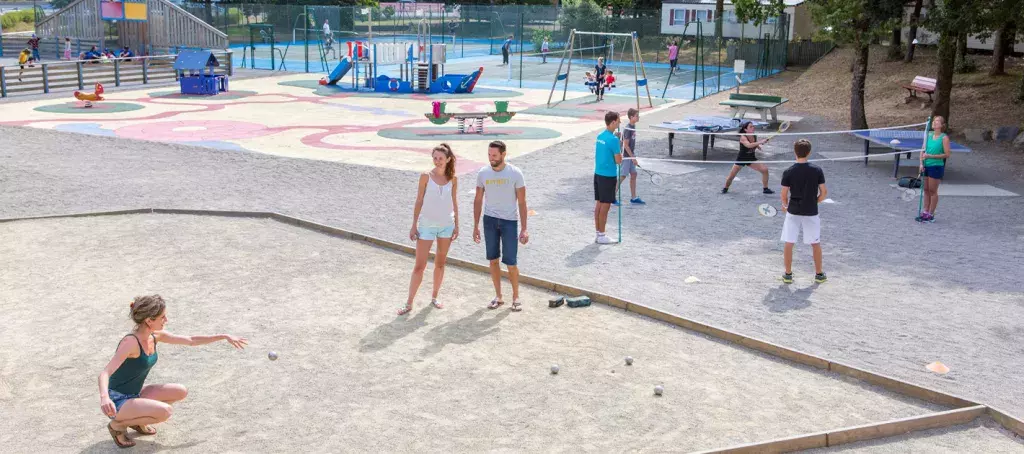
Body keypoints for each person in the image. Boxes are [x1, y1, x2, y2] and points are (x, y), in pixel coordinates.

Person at [98, 295, 247, 448]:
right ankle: (117, 425)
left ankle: (138, 421)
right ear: (149, 320)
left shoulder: (154, 336)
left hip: (135, 395)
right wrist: (105, 398)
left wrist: (223, 336)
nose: (166, 320)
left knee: (180, 391)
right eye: (162, 317)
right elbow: (105, 373)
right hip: (116, 401)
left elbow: (190, 340)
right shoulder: (130, 342)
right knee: (165, 412)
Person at [401, 144, 460, 315]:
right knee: (419, 266)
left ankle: (434, 297)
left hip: (446, 226)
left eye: (441, 158)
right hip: (426, 225)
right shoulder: (425, 177)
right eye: (435, 158)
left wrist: (457, 224)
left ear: (448, 159)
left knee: (440, 264)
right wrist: (413, 224)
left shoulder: (453, 179)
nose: (437, 161)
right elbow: (419, 200)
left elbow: (454, 202)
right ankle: (409, 302)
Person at [473, 140, 529, 312]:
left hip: (509, 222)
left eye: (495, 155)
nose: (491, 158)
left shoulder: (515, 173)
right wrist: (475, 226)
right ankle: (498, 296)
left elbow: (522, 202)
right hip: (489, 220)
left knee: (511, 262)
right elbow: (478, 200)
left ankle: (516, 297)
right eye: (489, 155)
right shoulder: (483, 173)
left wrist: (524, 228)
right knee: (493, 260)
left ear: (504, 154)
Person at [780, 139, 827, 284]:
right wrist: (815, 201)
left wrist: (785, 205)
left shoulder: (788, 171)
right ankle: (819, 274)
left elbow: (784, 194)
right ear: (809, 152)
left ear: (795, 152)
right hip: (811, 210)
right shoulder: (817, 170)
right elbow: (824, 192)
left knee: (789, 242)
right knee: (815, 243)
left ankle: (788, 274)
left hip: (793, 210)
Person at [721, 121, 775, 195]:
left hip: (751, 158)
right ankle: (725, 188)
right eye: (751, 126)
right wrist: (759, 142)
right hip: (741, 159)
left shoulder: (754, 135)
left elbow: (753, 144)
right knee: (731, 176)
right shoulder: (743, 137)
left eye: (753, 126)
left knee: (765, 170)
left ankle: (765, 189)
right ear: (745, 129)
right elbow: (748, 145)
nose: (753, 127)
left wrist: (758, 146)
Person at [594, 111, 623, 244]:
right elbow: (618, 160)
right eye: (618, 121)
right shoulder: (614, 140)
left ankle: (598, 233)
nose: (620, 123)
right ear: (613, 122)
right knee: (605, 206)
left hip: (598, 174)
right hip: (608, 176)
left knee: (599, 204)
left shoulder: (600, 136)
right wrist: (620, 145)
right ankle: (601, 235)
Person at [917, 116, 951, 223]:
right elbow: (922, 150)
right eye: (934, 121)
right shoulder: (928, 135)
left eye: (937, 121)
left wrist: (931, 156)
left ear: (941, 125)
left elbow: (947, 154)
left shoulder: (944, 138)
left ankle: (931, 214)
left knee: (932, 191)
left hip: (936, 166)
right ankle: (925, 211)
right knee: (926, 190)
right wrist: (921, 163)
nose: (934, 123)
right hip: (926, 165)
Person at [617, 108, 645, 206]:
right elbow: (626, 145)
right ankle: (611, 196)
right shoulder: (628, 128)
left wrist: (633, 156)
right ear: (631, 117)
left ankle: (633, 198)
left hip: (631, 155)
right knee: (622, 176)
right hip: (626, 156)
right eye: (637, 115)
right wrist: (633, 158)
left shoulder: (633, 126)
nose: (638, 117)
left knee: (634, 174)